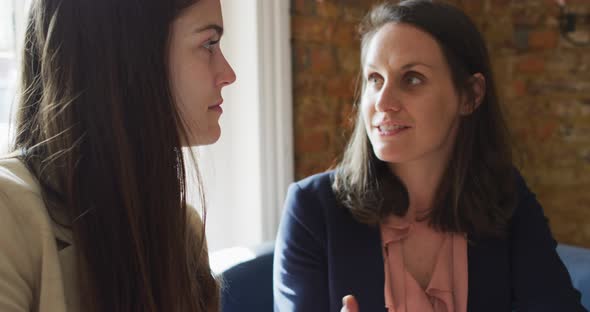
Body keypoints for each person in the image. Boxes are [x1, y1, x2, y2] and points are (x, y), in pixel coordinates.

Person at [273, 1, 587, 311]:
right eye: (375, 79)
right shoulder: (312, 209)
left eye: (411, 79)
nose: (383, 102)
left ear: (470, 95)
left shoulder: (505, 197)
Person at [0, 0, 235, 311]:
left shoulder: (182, 233)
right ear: (130, 54)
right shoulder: (9, 216)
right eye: (209, 43)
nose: (228, 74)